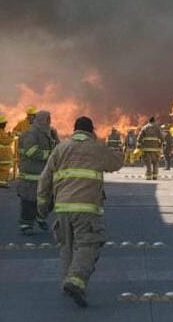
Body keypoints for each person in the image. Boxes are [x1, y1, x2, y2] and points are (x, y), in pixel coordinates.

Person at [37, 116, 123, 308]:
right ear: (91, 131)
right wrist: (112, 146)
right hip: (86, 207)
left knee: (67, 246)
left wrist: (42, 208)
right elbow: (116, 163)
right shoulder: (96, 147)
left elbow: (45, 179)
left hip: (62, 208)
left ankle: (69, 281)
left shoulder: (60, 148)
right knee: (88, 243)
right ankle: (75, 280)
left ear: (74, 129)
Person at [17, 110, 55, 235]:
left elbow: (57, 146)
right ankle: (26, 225)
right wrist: (49, 155)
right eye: (48, 119)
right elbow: (30, 151)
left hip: (45, 174)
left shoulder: (50, 132)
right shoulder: (31, 133)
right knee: (29, 201)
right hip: (30, 175)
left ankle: (40, 217)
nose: (49, 121)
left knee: (50, 200)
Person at [0, 115, 14, 188]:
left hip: (2, 155)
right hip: (3, 155)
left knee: (1, 169)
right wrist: (11, 137)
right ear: (1, 124)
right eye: (4, 123)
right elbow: (5, 141)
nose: (5, 124)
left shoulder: (0, 132)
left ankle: (0, 182)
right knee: (4, 170)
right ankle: (2, 183)